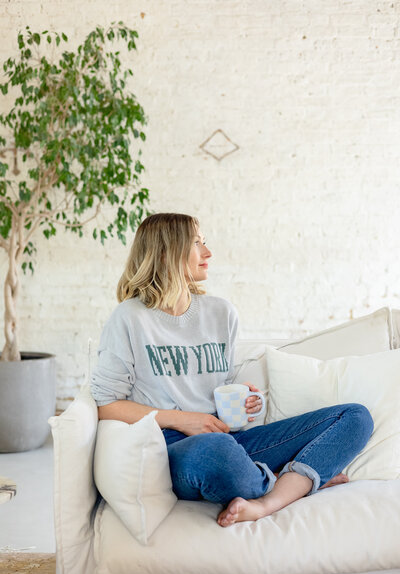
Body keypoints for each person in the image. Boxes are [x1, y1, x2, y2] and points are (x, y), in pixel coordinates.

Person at [91, 212, 374, 527]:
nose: (208, 253)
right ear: (165, 253)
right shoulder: (130, 318)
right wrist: (183, 420)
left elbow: (219, 386)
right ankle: (299, 478)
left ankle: (269, 499)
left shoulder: (220, 313)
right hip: (174, 449)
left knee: (356, 417)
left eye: (204, 242)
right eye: (196, 243)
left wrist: (244, 401)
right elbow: (105, 404)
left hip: (231, 440)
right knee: (216, 452)